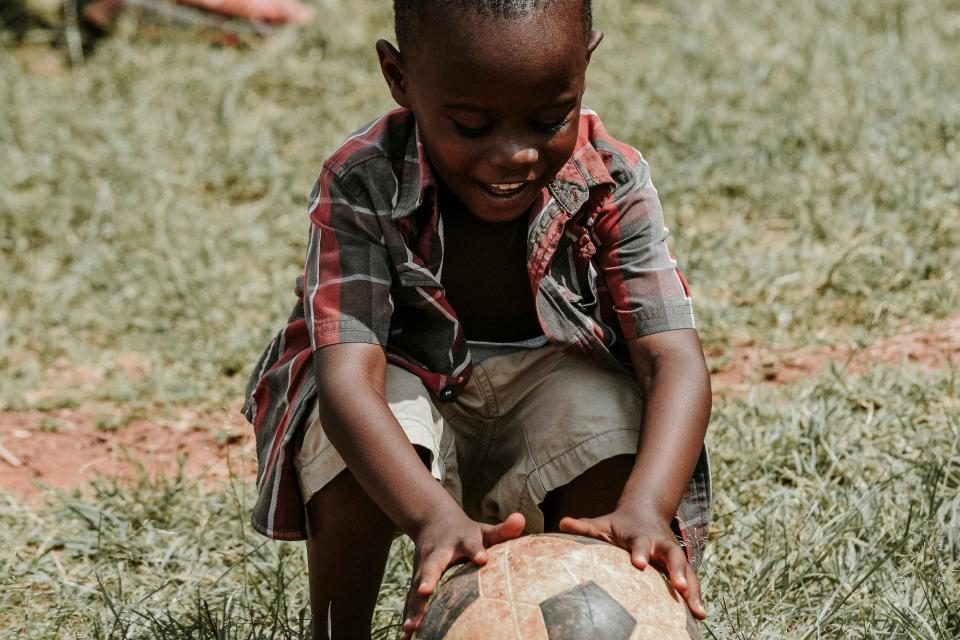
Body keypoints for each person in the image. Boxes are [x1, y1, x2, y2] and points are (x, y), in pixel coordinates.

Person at [242, 1, 713, 638]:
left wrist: (648, 507)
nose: (514, 154)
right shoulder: (364, 180)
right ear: (399, 78)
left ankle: (579, 600)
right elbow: (347, 382)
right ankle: (337, 631)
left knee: (607, 410)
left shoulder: (611, 178)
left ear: (586, 64)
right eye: (470, 125)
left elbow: (672, 359)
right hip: (406, 429)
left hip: (545, 418)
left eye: (550, 119)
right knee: (356, 423)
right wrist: (432, 518)